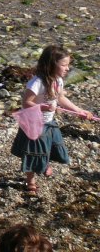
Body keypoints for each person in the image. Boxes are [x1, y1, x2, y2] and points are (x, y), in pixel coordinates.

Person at [11, 44, 97, 195]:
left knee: (52, 146)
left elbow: (61, 98)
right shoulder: (37, 82)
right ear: (51, 65)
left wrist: (78, 111)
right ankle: (30, 181)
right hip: (34, 123)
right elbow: (26, 103)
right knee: (33, 152)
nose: (67, 68)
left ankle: (44, 165)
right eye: (64, 65)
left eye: (68, 65)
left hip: (49, 122)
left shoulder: (58, 80)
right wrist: (43, 107)